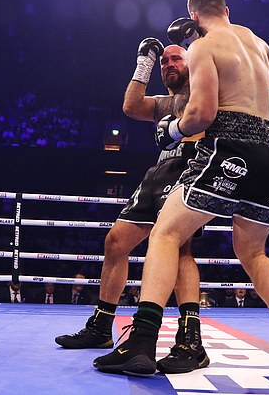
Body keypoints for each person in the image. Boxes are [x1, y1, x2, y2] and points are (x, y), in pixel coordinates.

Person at [94, 0, 269, 376]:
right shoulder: (254, 40)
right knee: (253, 253)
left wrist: (173, 131)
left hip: (230, 143)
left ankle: (143, 343)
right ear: (227, 9)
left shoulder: (202, 46)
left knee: (165, 234)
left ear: (194, 16)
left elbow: (200, 113)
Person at [55, 41, 210, 373]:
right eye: (165, 61)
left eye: (176, 59)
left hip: (190, 167)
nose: (170, 64)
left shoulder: (206, 92)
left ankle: (191, 339)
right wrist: (145, 62)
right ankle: (100, 327)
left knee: (180, 247)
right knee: (116, 241)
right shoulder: (163, 103)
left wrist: (196, 47)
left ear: (192, 62)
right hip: (158, 171)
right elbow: (130, 106)